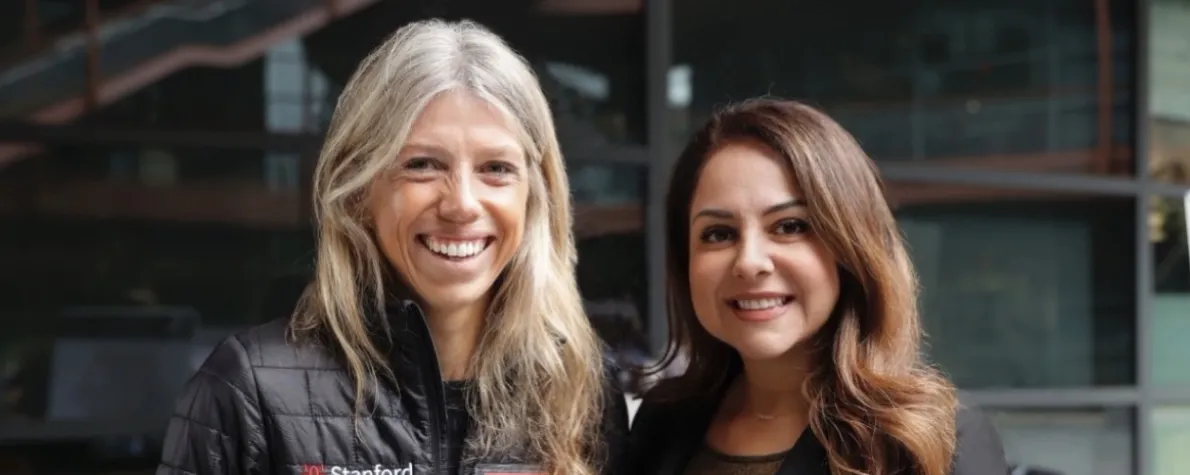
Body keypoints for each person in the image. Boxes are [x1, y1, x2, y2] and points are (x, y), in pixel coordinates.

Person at [157, 19, 627, 475]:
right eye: (423, 164)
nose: (462, 203)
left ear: (535, 195)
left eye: (496, 168)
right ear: (359, 192)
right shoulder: (250, 392)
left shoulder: (581, 387)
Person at [625, 98, 1008, 475]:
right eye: (719, 234)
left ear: (852, 247)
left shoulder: (933, 440)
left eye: (790, 226)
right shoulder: (662, 423)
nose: (749, 262)